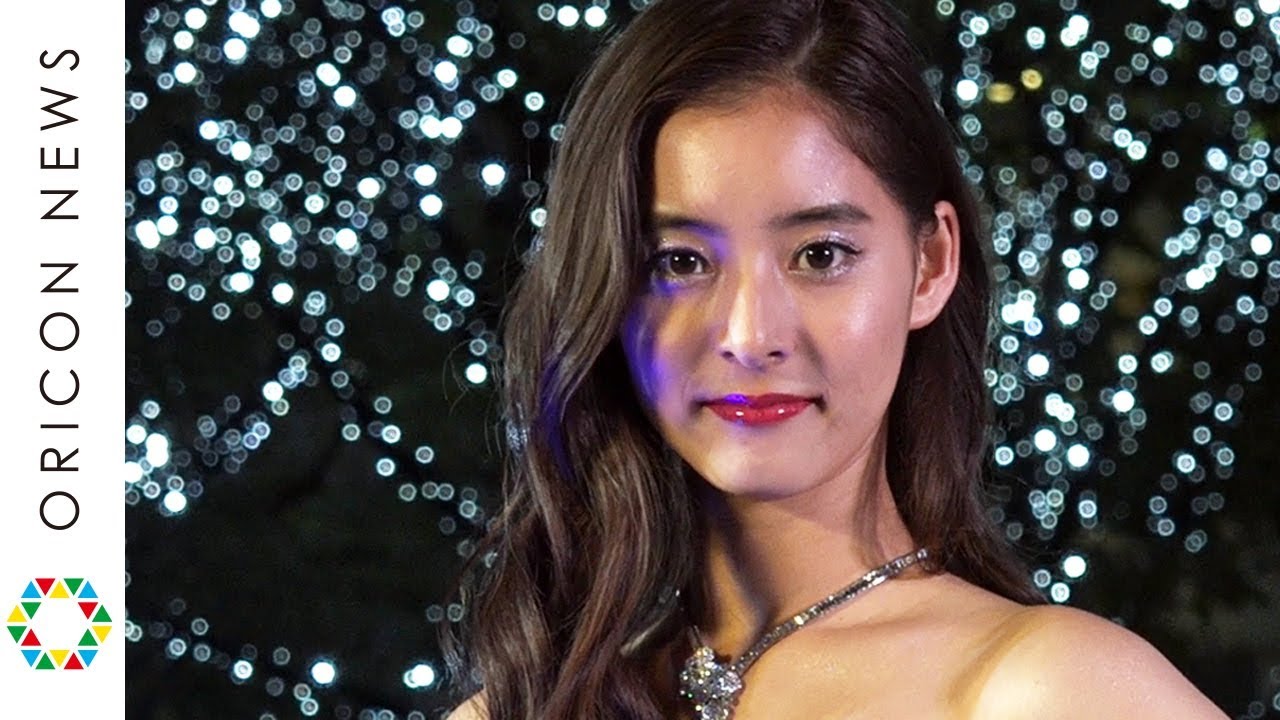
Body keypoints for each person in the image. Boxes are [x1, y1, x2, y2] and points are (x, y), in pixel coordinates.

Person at [444, 1, 1227, 718]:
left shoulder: (1053, 688)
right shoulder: (523, 706)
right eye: (680, 263)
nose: (750, 335)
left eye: (820, 254)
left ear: (930, 266)